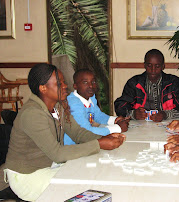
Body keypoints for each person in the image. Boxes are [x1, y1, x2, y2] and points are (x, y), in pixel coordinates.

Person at [2, 63, 125, 201]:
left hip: (48, 165)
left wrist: (106, 138)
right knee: (83, 188)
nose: (65, 86)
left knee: (91, 173)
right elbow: (58, 153)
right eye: (59, 83)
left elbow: (78, 133)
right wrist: (99, 144)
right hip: (27, 176)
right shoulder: (32, 114)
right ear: (43, 88)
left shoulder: (58, 107)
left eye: (64, 82)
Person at [114, 49, 179, 122]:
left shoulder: (173, 82)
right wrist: (133, 114)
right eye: (149, 65)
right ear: (144, 65)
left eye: (157, 66)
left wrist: (166, 115)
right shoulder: (134, 83)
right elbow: (120, 106)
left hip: (168, 125)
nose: (153, 69)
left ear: (163, 66)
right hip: (140, 127)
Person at [64, 69, 129, 145]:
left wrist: (114, 120)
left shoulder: (90, 97)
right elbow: (86, 131)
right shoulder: (74, 103)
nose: (91, 85)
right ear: (75, 86)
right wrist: (117, 128)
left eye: (93, 82)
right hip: (73, 146)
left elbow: (98, 115)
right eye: (85, 82)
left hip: (86, 142)